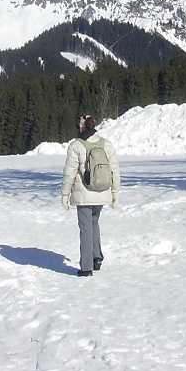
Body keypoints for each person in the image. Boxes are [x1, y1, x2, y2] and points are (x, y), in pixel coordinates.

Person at [61, 114, 121, 276]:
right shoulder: (106, 144)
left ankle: (86, 267)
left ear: (81, 127)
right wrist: (115, 192)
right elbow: (114, 171)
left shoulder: (76, 145)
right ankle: (96, 256)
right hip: (102, 192)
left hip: (84, 195)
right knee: (94, 222)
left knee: (86, 228)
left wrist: (65, 195)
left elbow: (70, 173)